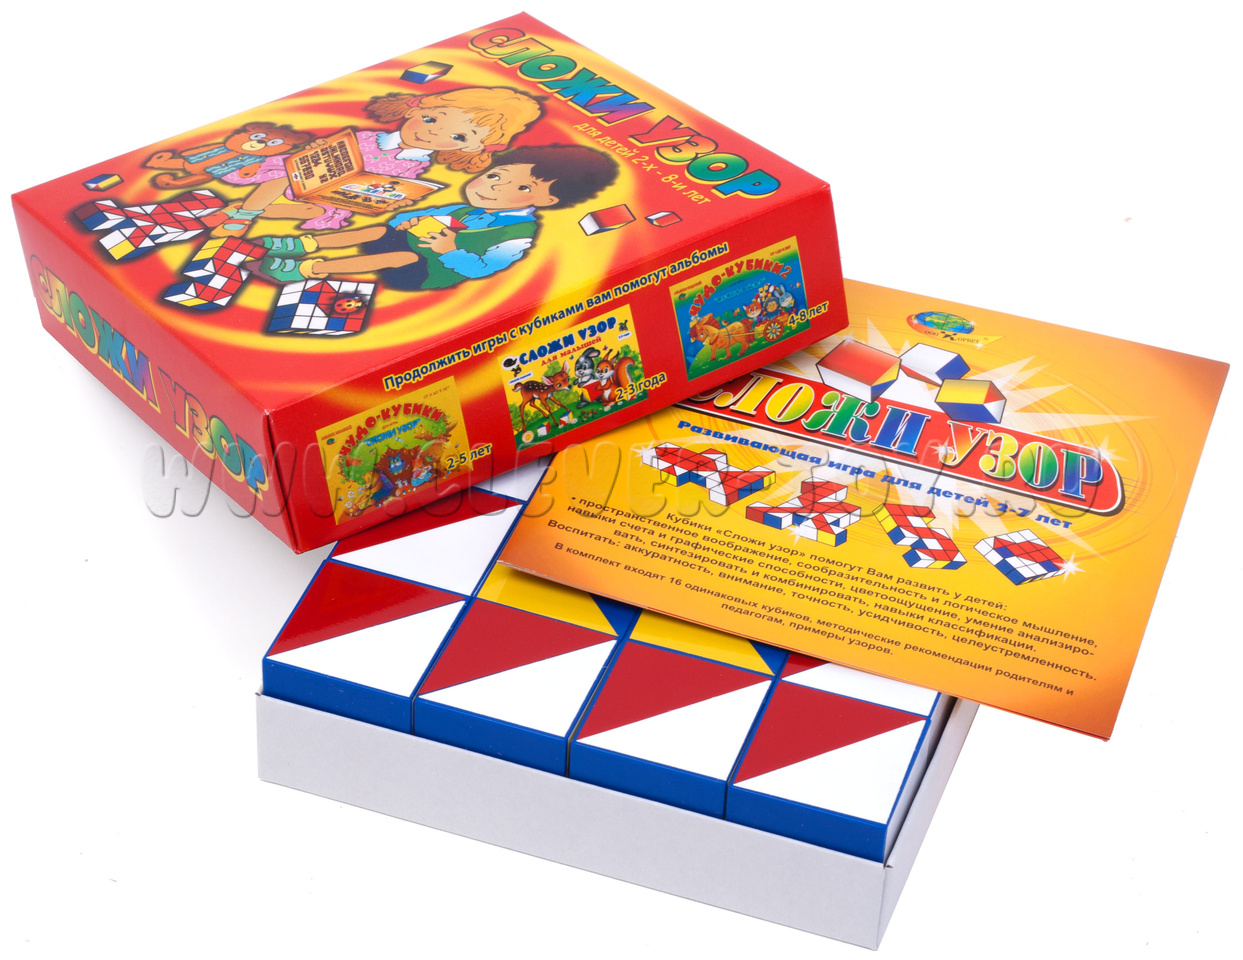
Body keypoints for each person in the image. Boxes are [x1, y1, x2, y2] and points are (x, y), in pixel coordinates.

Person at [256, 144, 619, 290]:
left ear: (547, 199)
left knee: (401, 256)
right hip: (413, 240)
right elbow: (432, 212)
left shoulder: (518, 233)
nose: (492, 187)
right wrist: (406, 222)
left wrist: (450, 250)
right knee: (377, 230)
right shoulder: (465, 210)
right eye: (496, 175)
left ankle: (308, 269)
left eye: (522, 187)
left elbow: (483, 268)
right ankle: (302, 244)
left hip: (428, 269)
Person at [207, 87, 541, 236]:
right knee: (282, 175)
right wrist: (320, 148)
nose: (431, 133)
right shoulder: (371, 137)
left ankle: (237, 212)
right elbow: (334, 148)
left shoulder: (415, 167)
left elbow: (390, 189)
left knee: (314, 212)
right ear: (416, 109)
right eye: (431, 119)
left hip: (333, 194)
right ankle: (246, 214)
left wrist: (389, 198)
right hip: (308, 173)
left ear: (474, 147)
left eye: (457, 136)